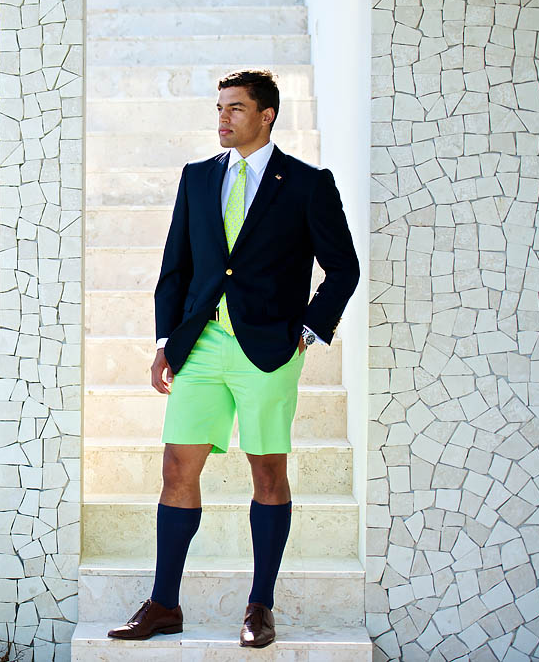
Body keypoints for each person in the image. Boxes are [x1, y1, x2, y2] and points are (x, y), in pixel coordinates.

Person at [106, 69, 360, 648]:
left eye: (235, 109)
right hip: (201, 346)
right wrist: (166, 341)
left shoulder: (306, 183)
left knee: (267, 470)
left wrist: (309, 332)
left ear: (266, 115)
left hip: (269, 350)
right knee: (177, 469)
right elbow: (178, 264)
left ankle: (259, 607)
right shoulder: (197, 179)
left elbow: (343, 268)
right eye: (219, 108)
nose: (222, 118)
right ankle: (164, 604)